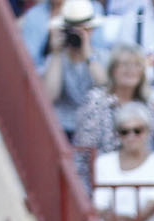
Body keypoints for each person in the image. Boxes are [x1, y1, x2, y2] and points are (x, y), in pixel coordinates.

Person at [72, 44, 154, 177]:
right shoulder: (96, 100)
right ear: (113, 70)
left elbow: (148, 145)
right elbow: (84, 150)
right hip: (99, 178)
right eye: (124, 64)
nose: (130, 70)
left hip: (140, 177)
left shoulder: (150, 103)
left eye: (136, 65)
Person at [42, 0, 110, 139]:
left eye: (82, 30)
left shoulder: (103, 57)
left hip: (94, 128)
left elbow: (105, 88)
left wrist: (88, 55)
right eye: (72, 30)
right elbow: (49, 95)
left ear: (91, 31)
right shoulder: (56, 59)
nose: (77, 35)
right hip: (62, 128)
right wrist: (56, 53)